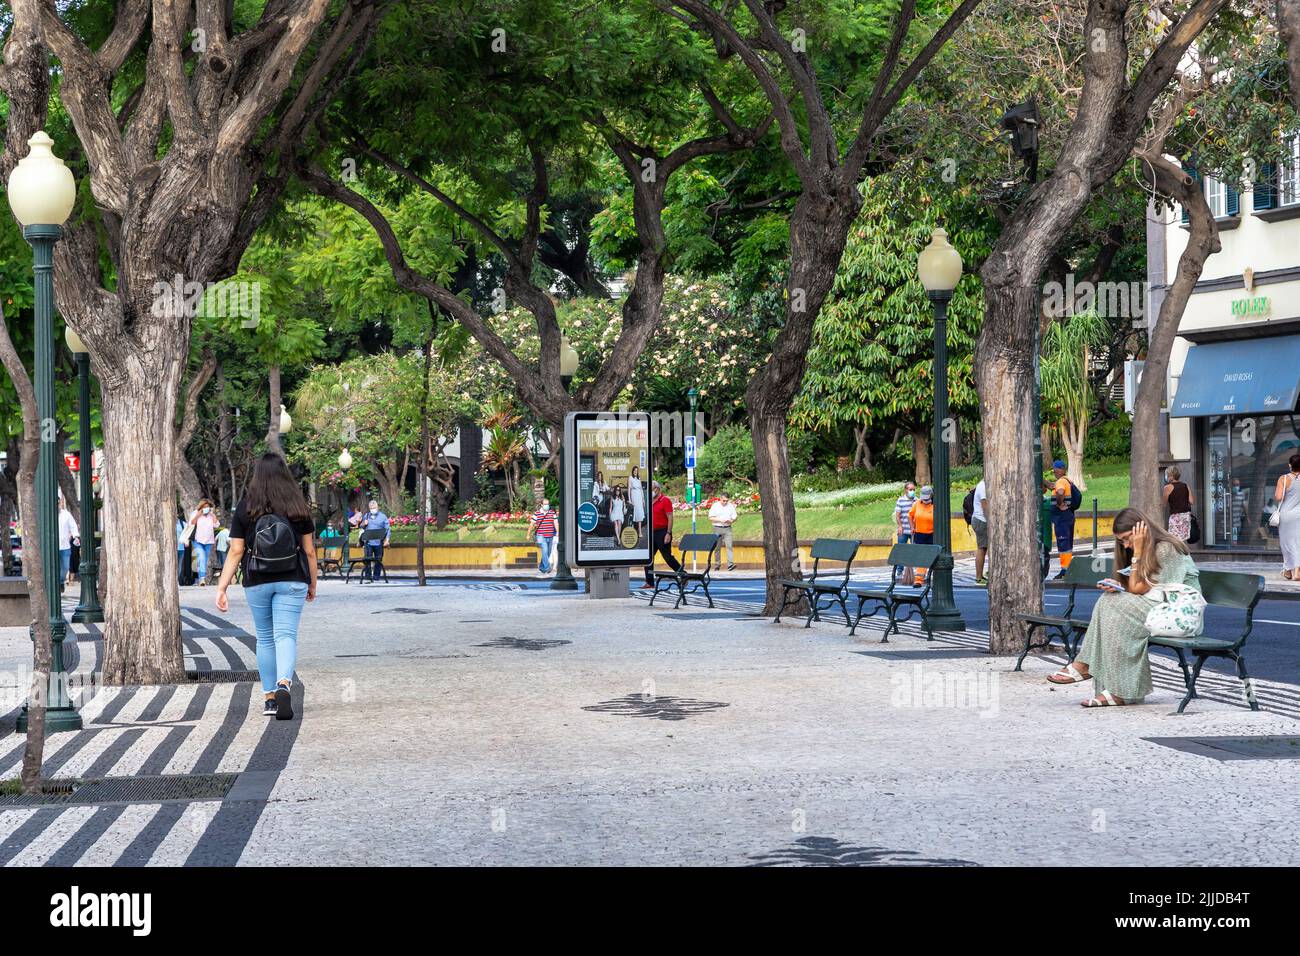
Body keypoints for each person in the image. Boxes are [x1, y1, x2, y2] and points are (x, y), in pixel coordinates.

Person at [1047, 508, 1200, 707]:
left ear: (1141, 530)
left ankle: (1092, 670)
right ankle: (1112, 685)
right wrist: (1118, 585)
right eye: (1122, 541)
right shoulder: (1145, 549)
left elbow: (1140, 588)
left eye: (1128, 539)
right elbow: (1141, 588)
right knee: (1108, 599)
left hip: (1178, 613)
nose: (1126, 545)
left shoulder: (1166, 547)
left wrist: (1137, 551)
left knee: (1112, 604)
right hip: (1158, 607)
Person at [215, 453, 317, 720]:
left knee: (264, 637)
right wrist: (312, 582)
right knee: (285, 635)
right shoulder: (298, 506)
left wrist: (222, 587)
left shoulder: (246, 506)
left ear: (257, 475)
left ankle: (270, 698)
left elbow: (236, 551)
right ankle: (285, 683)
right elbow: (309, 552)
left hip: (257, 579)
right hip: (292, 578)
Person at [641, 481, 681, 588]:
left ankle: (683, 574)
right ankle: (649, 582)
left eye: (652, 489)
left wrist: (668, 533)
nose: (650, 491)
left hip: (663, 532)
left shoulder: (665, 500)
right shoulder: (650, 501)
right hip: (652, 532)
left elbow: (670, 518)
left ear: (657, 489)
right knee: (648, 558)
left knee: (667, 557)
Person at [1048, 460, 1077, 579]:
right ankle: (1068, 567)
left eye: (1054, 469)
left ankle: (1065, 570)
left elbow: (1060, 491)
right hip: (1068, 515)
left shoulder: (1060, 482)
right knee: (1068, 543)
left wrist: (1059, 503)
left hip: (1062, 517)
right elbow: (1052, 486)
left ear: (1058, 469)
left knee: (1063, 542)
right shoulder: (1067, 480)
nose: (1054, 471)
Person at [1277, 453, 1300, 580]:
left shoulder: (1284, 479)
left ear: (1290, 465)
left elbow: (1279, 497)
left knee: (1287, 543)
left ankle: (1288, 570)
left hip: (1287, 515)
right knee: (1298, 542)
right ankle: (1297, 571)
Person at [908, 486, 936, 587]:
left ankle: (934, 576)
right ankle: (919, 580)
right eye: (923, 499)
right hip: (919, 534)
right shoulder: (916, 504)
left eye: (927, 499)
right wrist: (912, 527)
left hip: (932, 534)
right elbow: (910, 515)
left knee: (933, 557)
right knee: (922, 558)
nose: (925, 501)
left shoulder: (935, 506)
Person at [356, 500, 391, 582]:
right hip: (368, 542)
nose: (373, 509)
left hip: (379, 542)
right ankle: (368, 576)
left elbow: (388, 529)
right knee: (367, 559)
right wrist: (364, 524)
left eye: (374, 507)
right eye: (371, 508)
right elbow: (361, 527)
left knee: (378, 559)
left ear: (377, 507)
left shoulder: (383, 516)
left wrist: (387, 540)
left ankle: (376, 576)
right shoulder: (366, 516)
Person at [186, 499, 219, 585]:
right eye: (204, 507)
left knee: (204, 560)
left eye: (208, 507)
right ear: (201, 507)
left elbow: (216, 525)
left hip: (209, 541)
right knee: (201, 557)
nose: (206, 508)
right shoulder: (195, 513)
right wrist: (198, 515)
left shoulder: (211, 515)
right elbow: (191, 523)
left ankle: (201, 578)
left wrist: (213, 515)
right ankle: (202, 579)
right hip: (198, 540)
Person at [893, 481, 917, 586]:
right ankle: (899, 570)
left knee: (914, 549)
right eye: (910, 489)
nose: (912, 491)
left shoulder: (917, 500)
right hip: (903, 530)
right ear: (905, 490)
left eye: (913, 489)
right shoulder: (901, 500)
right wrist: (900, 526)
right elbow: (898, 515)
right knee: (901, 549)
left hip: (913, 530)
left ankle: (914, 570)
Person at [707, 492, 738, 570]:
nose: (725, 502)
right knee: (717, 547)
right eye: (723, 500)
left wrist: (731, 520)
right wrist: (720, 520)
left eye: (726, 501)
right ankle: (717, 565)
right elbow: (710, 517)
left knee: (729, 546)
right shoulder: (715, 506)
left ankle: (730, 564)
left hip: (727, 528)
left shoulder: (731, 506)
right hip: (717, 527)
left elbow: (735, 517)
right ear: (720, 499)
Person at [1163, 466, 1194, 542]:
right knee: (1183, 541)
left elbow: (1164, 504)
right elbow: (1191, 501)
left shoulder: (1167, 487)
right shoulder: (1186, 485)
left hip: (1175, 517)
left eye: (1167, 475)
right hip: (1186, 516)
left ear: (1171, 476)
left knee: (1174, 541)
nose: (1166, 477)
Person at [528, 497, 558, 575]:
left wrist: (558, 532)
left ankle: (542, 567)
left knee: (548, 553)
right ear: (541, 505)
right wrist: (528, 534)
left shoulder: (552, 513)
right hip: (541, 535)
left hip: (550, 535)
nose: (546, 506)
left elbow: (556, 523)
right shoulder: (537, 513)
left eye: (548, 504)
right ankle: (548, 568)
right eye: (545, 504)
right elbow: (531, 524)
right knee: (544, 551)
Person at [57, 497, 79, 588]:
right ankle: (56, 583)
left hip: (65, 546)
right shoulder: (47, 514)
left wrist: (76, 536)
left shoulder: (66, 514)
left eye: (58, 503)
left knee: (66, 567)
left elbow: (73, 526)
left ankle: (61, 581)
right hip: (53, 547)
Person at [971, 478, 989, 585]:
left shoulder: (985, 485)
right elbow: (984, 504)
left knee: (986, 547)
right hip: (981, 520)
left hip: (982, 520)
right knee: (982, 548)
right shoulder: (983, 486)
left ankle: (984, 573)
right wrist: (991, 521)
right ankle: (978, 577)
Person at [629, 466, 646, 536]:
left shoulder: (639, 478)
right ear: (633, 471)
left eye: (637, 471)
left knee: (640, 513)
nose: (636, 472)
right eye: (634, 470)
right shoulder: (630, 478)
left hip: (639, 496)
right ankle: (632, 530)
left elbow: (641, 489)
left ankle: (639, 531)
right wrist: (630, 499)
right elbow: (629, 489)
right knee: (634, 513)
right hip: (634, 496)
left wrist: (643, 499)